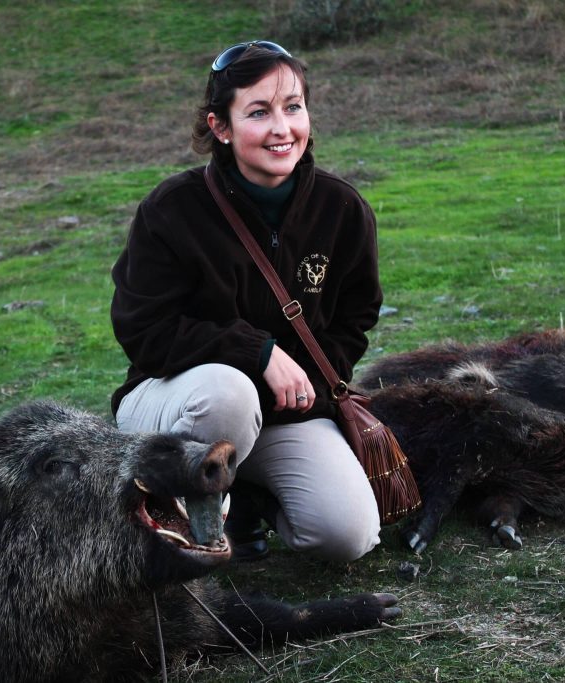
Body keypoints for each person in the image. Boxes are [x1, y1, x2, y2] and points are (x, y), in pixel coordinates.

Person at [110, 41, 383, 563]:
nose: (282, 128)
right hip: (177, 405)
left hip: (282, 418)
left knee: (345, 536)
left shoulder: (342, 208)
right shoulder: (172, 210)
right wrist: (257, 352)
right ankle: (181, 527)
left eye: (293, 107)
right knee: (227, 393)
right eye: (258, 112)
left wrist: (304, 386)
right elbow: (143, 330)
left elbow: (356, 316)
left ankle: (248, 498)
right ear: (221, 127)